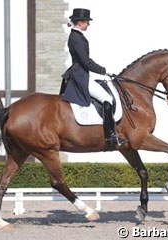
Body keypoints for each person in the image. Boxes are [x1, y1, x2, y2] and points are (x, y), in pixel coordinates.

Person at [60, 8, 126, 151]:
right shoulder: (76, 38)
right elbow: (85, 61)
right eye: (87, 22)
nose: (88, 25)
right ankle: (110, 136)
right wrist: (103, 70)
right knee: (107, 100)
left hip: (82, 73)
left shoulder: (77, 36)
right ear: (80, 22)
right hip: (80, 75)